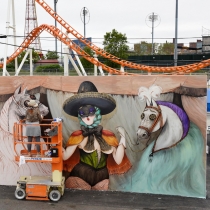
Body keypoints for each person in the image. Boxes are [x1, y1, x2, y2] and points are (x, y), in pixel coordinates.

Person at [62, 81, 131, 190]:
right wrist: (55, 139)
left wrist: (123, 138)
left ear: (97, 112)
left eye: (90, 111)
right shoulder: (77, 136)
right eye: (82, 113)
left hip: (102, 178)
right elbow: (65, 156)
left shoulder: (108, 136)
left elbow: (118, 160)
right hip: (80, 176)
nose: (87, 117)